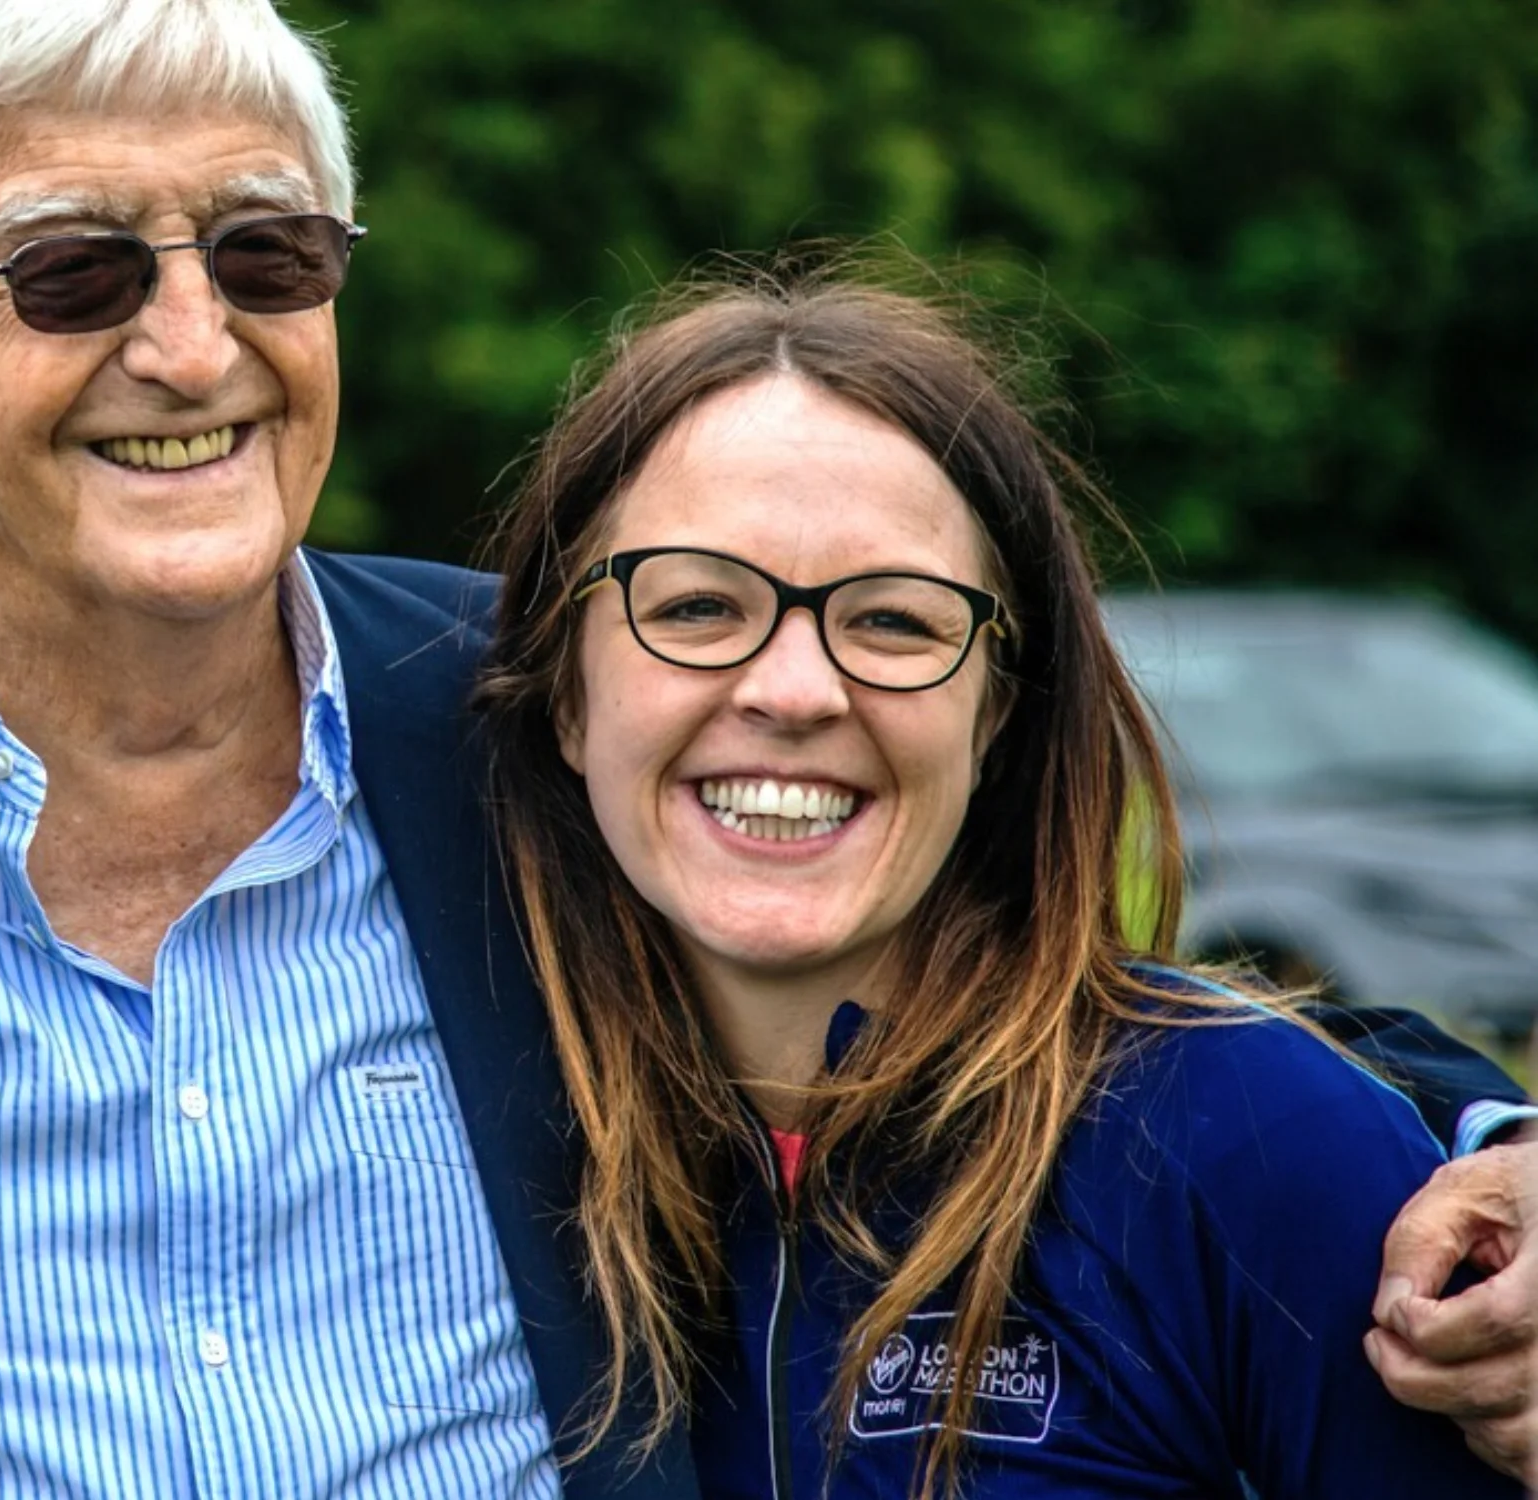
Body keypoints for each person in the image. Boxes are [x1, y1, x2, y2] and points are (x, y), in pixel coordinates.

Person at [0, 1, 1538, 1494]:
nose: (188, 339)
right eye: (70, 270)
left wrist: (1480, 1139)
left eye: (267, 252)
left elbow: (1049, 1004)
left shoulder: (525, 718)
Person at [474, 265, 1524, 1497]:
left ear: (995, 714)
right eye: (699, 606)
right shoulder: (461, 1155)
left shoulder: (1247, 1143)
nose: (793, 689)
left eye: (894, 623)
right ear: (562, 689)